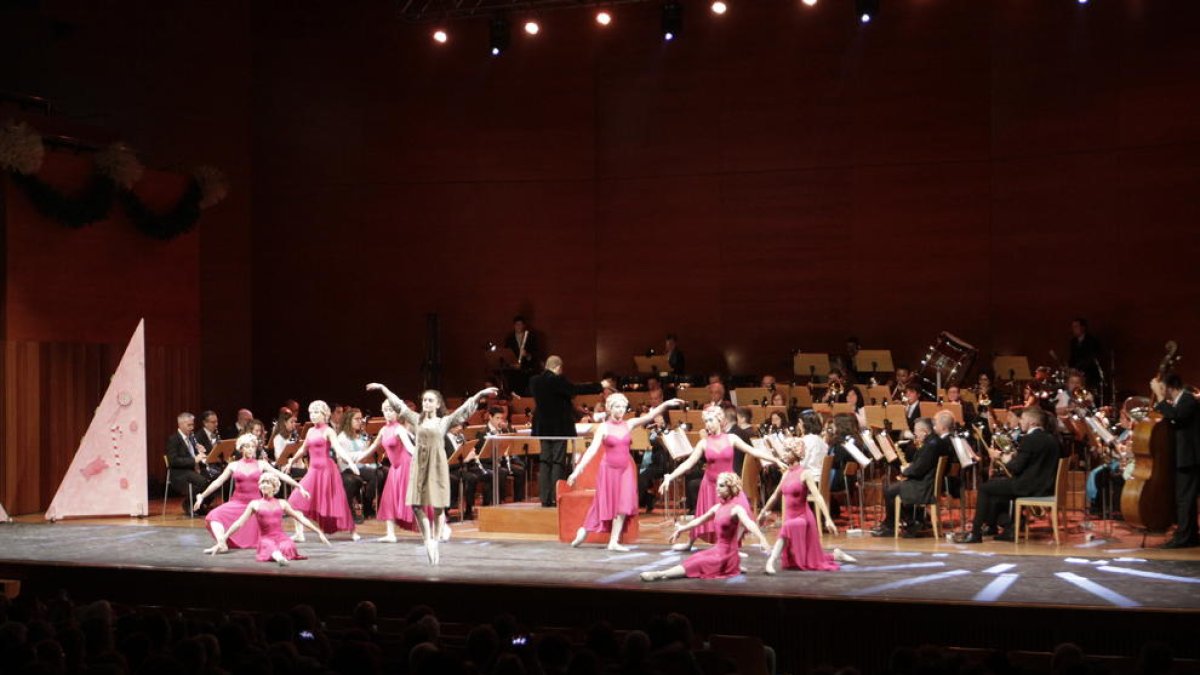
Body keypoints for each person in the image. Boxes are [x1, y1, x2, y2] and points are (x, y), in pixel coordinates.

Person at [366, 382, 498, 564]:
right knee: (416, 504)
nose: (426, 403)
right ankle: (428, 539)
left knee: (437, 506)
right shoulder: (415, 419)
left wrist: (480, 394)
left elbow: (464, 410)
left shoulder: (444, 421)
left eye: (430, 400)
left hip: (437, 465)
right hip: (419, 464)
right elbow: (398, 404)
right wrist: (383, 388)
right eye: (425, 400)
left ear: (437, 404)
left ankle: (435, 540)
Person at [659, 406, 786, 551]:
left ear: (720, 420)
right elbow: (689, 463)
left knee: (743, 513)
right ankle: (690, 543)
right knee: (704, 515)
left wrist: (775, 460)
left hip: (730, 486)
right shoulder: (704, 443)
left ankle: (732, 546)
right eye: (706, 421)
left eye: (711, 420)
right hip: (710, 484)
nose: (708, 424)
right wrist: (671, 476)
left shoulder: (731, 438)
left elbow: (753, 450)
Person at [568, 394, 683, 550]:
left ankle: (613, 541)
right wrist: (577, 471)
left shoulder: (629, 424)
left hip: (626, 469)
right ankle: (585, 529)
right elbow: (592, 451)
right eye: (617, 407)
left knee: (623, 503)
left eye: (623, 407)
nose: (621, 410)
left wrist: (666, 403)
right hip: (609, 470)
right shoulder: (604, 427)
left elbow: (651, 415)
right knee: (603, 501)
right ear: (609, 408)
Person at [640, 473, 771, 581]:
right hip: (717, 550)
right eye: (717, 486)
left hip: (726, 556)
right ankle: (662, 573)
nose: (717, 489)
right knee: (695, 558)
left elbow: (749, 523)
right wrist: (681, 529)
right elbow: (698, 521)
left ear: (730, 488)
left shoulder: (736, 509)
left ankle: (660, 574)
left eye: (722, 486)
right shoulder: (718, 507)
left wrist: (762, 538)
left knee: (698, 563)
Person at [958, 407, 1060, 543]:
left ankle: (976, 533)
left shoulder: (1030, 439)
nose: (1020, 422)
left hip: (1029, 486)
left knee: (984, 488)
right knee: (995, 490)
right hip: (1045, 486)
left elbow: (1016, 468)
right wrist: (1015, 456)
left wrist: (1002, 457)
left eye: (1022, 419)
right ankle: (1007, 527)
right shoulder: (1051, 438)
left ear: (1032, 422)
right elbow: (1034, 460)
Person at [193, 433, 309, 549]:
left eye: (253, 446)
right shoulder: (233, 465)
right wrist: (202, 496)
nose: (250, 449)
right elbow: (218, 482)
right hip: (237, 503)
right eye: (247, 446)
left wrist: (299, 486)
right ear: (241, 448)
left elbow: (281, 475)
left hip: (255, 505)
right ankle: (221, 543)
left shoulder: (261, 464)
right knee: (213, 516)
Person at [529, 356, 610, 507]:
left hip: (543, 427)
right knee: (557, 461)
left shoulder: (534, 381)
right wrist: (600, 385)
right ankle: (555, 497)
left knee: (545, 461)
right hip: (559, 427)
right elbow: (575, 389)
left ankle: (544, 498)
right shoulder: (558, 380)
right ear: (559, 367)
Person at [757, 444, 851, 572]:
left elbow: (817, 496)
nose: (783, 453)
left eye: (787, 451)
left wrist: (828, 518)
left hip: (803, 517)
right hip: (790, 516)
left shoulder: (805, 473)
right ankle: (835, 555)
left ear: (795, 454)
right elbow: (774, 496)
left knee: (786, 527)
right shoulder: (785, 474)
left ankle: (771, 561)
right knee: (811, 559)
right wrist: (763, 512)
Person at [205, 473, 330, 565]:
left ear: (274, 487)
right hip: (266, 538)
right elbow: (239, 523)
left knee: (288, 546)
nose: (264, 485)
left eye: (268, 483)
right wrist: (223, 538)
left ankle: (280, 555)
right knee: (268, 545)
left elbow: (301, 518)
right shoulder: (255, 504)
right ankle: (279, 558)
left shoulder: (282, 503)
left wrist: (318, 531)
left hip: (280, 537)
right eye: (263, 482)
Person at [283, 401, 361, 542]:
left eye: (316, 412)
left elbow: (338, 449)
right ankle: (299, 534)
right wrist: (291, 461)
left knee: (337, 502)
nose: (313, 415)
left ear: (324, 414)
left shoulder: (328, 431)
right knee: (295, 499)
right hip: (313, 470)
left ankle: (352, 530)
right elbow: (303, 449)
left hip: (327, 471)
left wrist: (350, 462)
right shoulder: (310, 431)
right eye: (311, 413)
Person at [873, 413, 952, 537]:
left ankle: (893, 526)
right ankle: (913, 521)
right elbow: (922, 465)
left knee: (889, 490)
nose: (914, 435)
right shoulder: (934, 442)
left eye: (916, 432)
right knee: (894, 488)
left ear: (924, 432)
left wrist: (905, 471)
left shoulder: (931, 445)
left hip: (924, 486)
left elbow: (919, 469)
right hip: (926, 482)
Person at [1151, 373, 1200, 549]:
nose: (1162, 392)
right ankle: (1191, 535)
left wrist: (1158, 397)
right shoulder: (1182, 401)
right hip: (1184, 457)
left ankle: (1183, 538)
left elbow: (1177, 416)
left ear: (1170, 387)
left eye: (1162, 388)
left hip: (1190, 458)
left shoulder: (1188, 400)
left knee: (1184, 499)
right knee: (1186, 498)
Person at [369, 401, 428, 542]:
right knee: (390, 499)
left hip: (406, 466)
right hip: (395, 468)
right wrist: (356, 457)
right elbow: (372, 448)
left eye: (391, 410)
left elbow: (410, 448)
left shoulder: (400, 429)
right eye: (385, 410)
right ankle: (390, 533)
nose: (388, 413)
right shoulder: (384, 430)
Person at [164, 412, 215, 516]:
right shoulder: (173, 439)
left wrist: (201, 452)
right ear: (181, 424)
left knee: (215, 479)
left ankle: (200, 505)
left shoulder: (192, 438)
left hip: (192, 471)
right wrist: (194, 460)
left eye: (193, 424)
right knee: (202, 481)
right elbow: (173, 461)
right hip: (179, 474)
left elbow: (194, 455)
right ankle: (188, 504)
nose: (192, 428)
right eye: (189, 425)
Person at [336, 408, 380, 522]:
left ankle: (368, 505)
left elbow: (366, 451)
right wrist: (363, 454)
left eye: (361, 419)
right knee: (375, 475)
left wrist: (368, 444)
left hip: (360, 466)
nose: (360, 421)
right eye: (357, 419)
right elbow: (345, 457)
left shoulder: (360, 435)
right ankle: (363, 507)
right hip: (348, 468)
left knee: (380, 473)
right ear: (348, 420)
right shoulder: (342, 437)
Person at [475, 407, 527, 504]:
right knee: (502, 472)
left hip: (501, 462)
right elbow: (482, 455)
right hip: (488, 464)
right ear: (490, 417)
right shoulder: (482, 433)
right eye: (497, 418)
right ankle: (500, 501)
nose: (500, 421)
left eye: (501, 418)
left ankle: (518, 501)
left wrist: (507, 428)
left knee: (520, 471)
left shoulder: (503, 431)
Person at [1068, 318, 1103, 391]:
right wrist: (1070, 368)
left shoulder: (1092, 341)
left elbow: (1092, 358)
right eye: (1073, 327)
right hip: (1077, 373)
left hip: (1089, 373)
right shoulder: (1073, 342)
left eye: (1076, 326)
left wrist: (1080, 368)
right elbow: (1072, 357)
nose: (1074, 329)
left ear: (1083, 327)